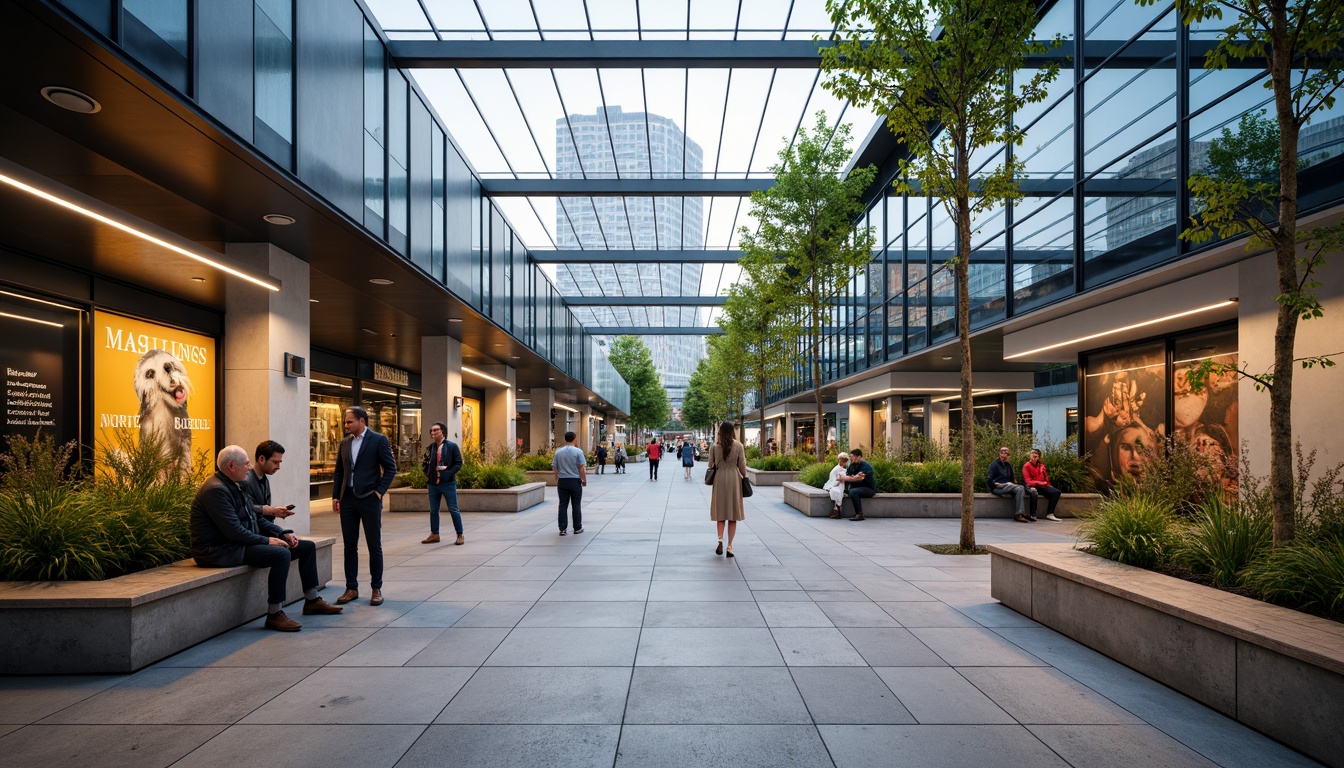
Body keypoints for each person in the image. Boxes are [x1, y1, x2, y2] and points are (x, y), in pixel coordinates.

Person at [191, 445, 342, 631]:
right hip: (217, 550)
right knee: (280, 555)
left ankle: (312, 600)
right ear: (231, 466)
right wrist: (268, 541)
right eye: (246, 464)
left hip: (235, 544)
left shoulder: (237, 485)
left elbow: (255, 519)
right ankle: (274, 614)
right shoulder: (216, 490)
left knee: (306, 547)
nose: (249, 467)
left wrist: (281, 533)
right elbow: (234, 531)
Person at [331, 406, 397, 606]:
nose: (346, 425)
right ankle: (351, 588)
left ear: (362, 420)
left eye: (350, 421)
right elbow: (339, 472)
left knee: (373, 545)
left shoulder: (378, 440)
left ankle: (376, 588)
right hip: (348, 500)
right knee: (349, 545)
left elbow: (391, 468)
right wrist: (336, 496)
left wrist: (379, 492)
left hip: (369, 499)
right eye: (345, 421)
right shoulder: (344, 443)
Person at [708, 421, 747, 557]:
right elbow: (742, 467)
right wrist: (744, 476)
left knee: (720, 513)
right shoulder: (739, 446)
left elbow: (710, 464)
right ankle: (729, 546)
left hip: (719, 479)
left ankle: (720, 539)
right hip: (733, 480)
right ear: (732, 431)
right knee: (732, 515)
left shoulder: (714, 446)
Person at [422, 422, 464, 545]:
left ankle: (460, 534)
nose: (433, 433)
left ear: (442, 432)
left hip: (447, 483)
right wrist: (427, 472)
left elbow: (458, 463)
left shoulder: (451, 446)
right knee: (433, 510)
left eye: (436, 430)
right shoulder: (431, 447)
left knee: (453, 509)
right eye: (432, 431)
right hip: (433, 483)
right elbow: (425, 462)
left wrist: (448, 473)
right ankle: (434, 534)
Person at [242, 440, 295, 523]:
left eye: (279, 462)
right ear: (262, 459)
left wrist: (274, 512)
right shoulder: (246, 481)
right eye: (275, 462)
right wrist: (271, 511)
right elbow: (246, 508)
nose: (278, 466)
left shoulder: (264, 478)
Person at [989, 446, 1037, 523]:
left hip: (1008, 486)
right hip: (997, 487)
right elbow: (989, 478)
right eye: (1006, 454)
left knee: (1020, 488)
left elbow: (1011, 480)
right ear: (1001, 454)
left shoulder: (1008, 465)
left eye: (1008, 455)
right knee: (1018, 488)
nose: (1008, 456)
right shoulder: (994, 464)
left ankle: (1019, 514)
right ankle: (1019, 514)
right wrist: (995, 483)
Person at [553, 431, 587, 535]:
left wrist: (557, 480)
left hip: (563, 481)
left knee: (563, 504)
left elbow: (555, 468)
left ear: (565, 439)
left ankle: (562, 529)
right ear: (575, 439)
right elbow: (581, 467)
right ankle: (577, 527)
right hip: (574, 480)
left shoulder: (558, 452)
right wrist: (584, 479)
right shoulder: (578, 452)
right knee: (576, 504)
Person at [1022, 449, 1063, 522]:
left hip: (1042, 485)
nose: (1034, 455)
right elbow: (1028, 481)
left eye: (1036, 454)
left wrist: (1049, 485)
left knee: (1056, 492)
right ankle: (1033, 515)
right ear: (1030, 455)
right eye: (1032, 453)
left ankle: (1050, 514)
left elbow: (1045, 478)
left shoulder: (1041, 466)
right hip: (1031, 485)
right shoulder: (1026, 466)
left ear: (1039, 457)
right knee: (1034, 492)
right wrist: (1040, 483)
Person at [839, 448, 876, 521]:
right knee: (844, 491)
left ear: (859, 457)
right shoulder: (852, 466)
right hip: (857, 488)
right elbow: (848, 476)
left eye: (853, 456)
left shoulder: (866, 466)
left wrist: (845, 478)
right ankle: (837, 512)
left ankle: (859, 514)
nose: (851, 458)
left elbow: (859, 478)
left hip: (868, 489)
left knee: (853, 492)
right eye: (851, 456)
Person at [823, 453, 851, 517]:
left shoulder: (844, 469)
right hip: (836, 483)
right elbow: (833, 477)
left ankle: (837, 511)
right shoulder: (837, 468)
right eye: (840, 461)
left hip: (841, 483)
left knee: (839, 492)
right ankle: (836, 510)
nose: (841, 462)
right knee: (836, 492)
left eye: (843, 461)